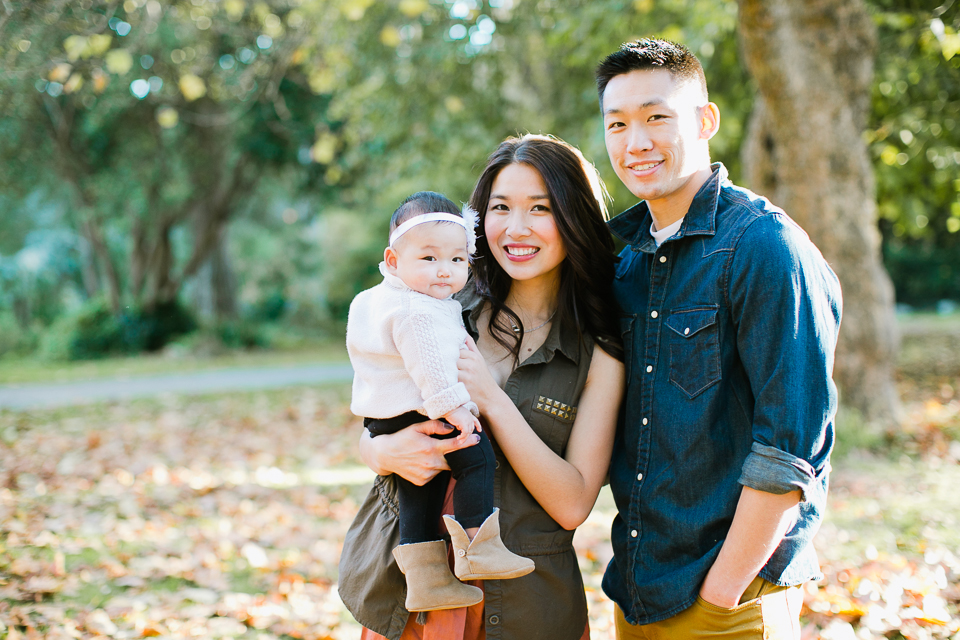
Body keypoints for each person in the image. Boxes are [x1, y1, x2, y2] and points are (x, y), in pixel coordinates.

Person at [595, 38, 842, 638]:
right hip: (638, 592)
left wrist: (721, 597)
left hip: (730, 601)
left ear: (705, 120)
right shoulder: (624, 261)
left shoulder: (763, 246)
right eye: (618, 124)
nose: (636, 142)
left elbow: (791, 450)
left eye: (657, 117)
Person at [338, 134, 625, 640]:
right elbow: (376, 417)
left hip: (525, 608)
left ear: (573, 217)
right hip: (409, 600)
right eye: (500, 207)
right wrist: (383, 452)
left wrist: (489, 400)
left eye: (540, 208)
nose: (517, 228)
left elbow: (574, 502)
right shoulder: (440, 305)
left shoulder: (598, 346)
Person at [345, 191, 534, 615]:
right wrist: (457, 410)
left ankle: (425, 578)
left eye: (457, 260)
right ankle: (479, 547)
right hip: (429, 409)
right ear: (394, 261)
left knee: (420, 487)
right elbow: (429, 366)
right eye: (429, 259)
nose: (444, 272)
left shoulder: (374, 301)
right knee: (477, 458)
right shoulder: (419, 310)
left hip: (388, 418)